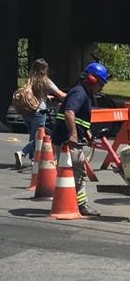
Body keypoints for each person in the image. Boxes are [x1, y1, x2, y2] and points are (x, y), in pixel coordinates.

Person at [51, 62, 110, 217]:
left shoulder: (84, 93)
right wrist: (73, 135)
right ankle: (80, 205)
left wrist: (87, 133)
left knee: (75, 172)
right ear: (91, 79)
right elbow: (70, 112)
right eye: (101, 83)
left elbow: (79, 119)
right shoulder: (80, 93)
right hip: (68, 142)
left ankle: (75, 202)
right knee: (77, 172)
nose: (102, 87)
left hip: (68, 140)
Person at [13, 59, 67, 169]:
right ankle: (22, 153)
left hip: (27, 111)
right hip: (39, 112)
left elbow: (34, 93)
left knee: (33, 136)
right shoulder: (45, 81)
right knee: (38, 138)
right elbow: (61, 95)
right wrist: (73, 97)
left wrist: (46, 96)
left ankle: (34, 160)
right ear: (44, 70)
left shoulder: (30, 80)